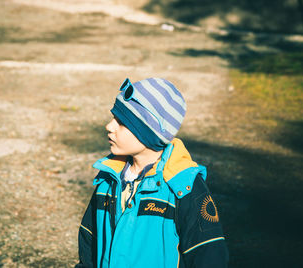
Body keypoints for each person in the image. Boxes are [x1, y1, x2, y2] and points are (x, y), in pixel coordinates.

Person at [76, 78, 229, 267]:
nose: (109, 126)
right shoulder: (109, 178)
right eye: (113, 117)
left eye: (122, 122)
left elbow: (208, 255)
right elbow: (89, 241)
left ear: (149, 133)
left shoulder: (183, 187)